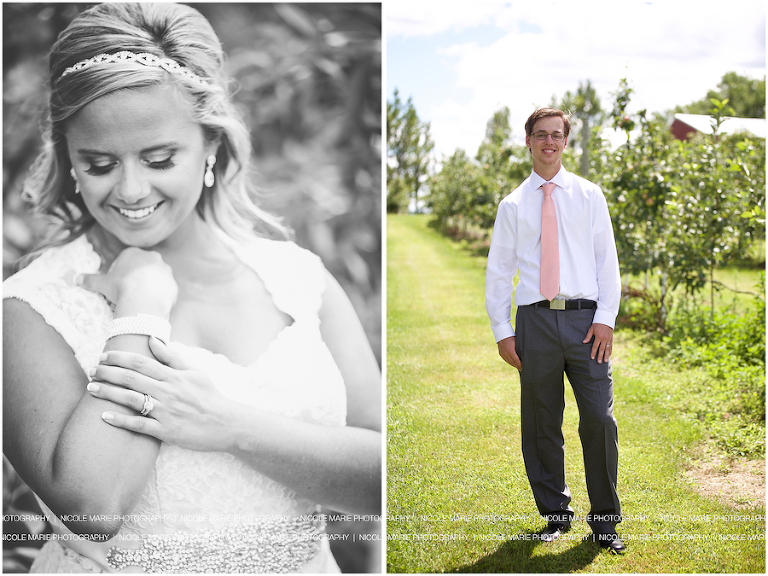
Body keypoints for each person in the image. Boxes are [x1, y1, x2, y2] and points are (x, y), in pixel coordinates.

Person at [2, 3, 381, 573]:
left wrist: (229, 427)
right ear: (70, 163)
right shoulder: (29, 308)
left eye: (158, 159)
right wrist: (141, 311)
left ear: (210, 145)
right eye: (99, 164)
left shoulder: (299, 279)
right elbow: (92, 508)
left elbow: (388, 477)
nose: (131, 190)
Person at [484, 107, 624, 553]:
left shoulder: (589, 196)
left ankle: (604, 522)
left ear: (566, 142)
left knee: (599, 419)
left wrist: (605, 318)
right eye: (540, 135)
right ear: (528, 141)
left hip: (586, 322)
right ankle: (555, 514)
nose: (549, 142)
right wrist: (504, 331)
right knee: (542, 422)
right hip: (536, 322)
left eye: (556, 135)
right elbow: (499, 272)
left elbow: (608, 262)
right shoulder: (512, 205)